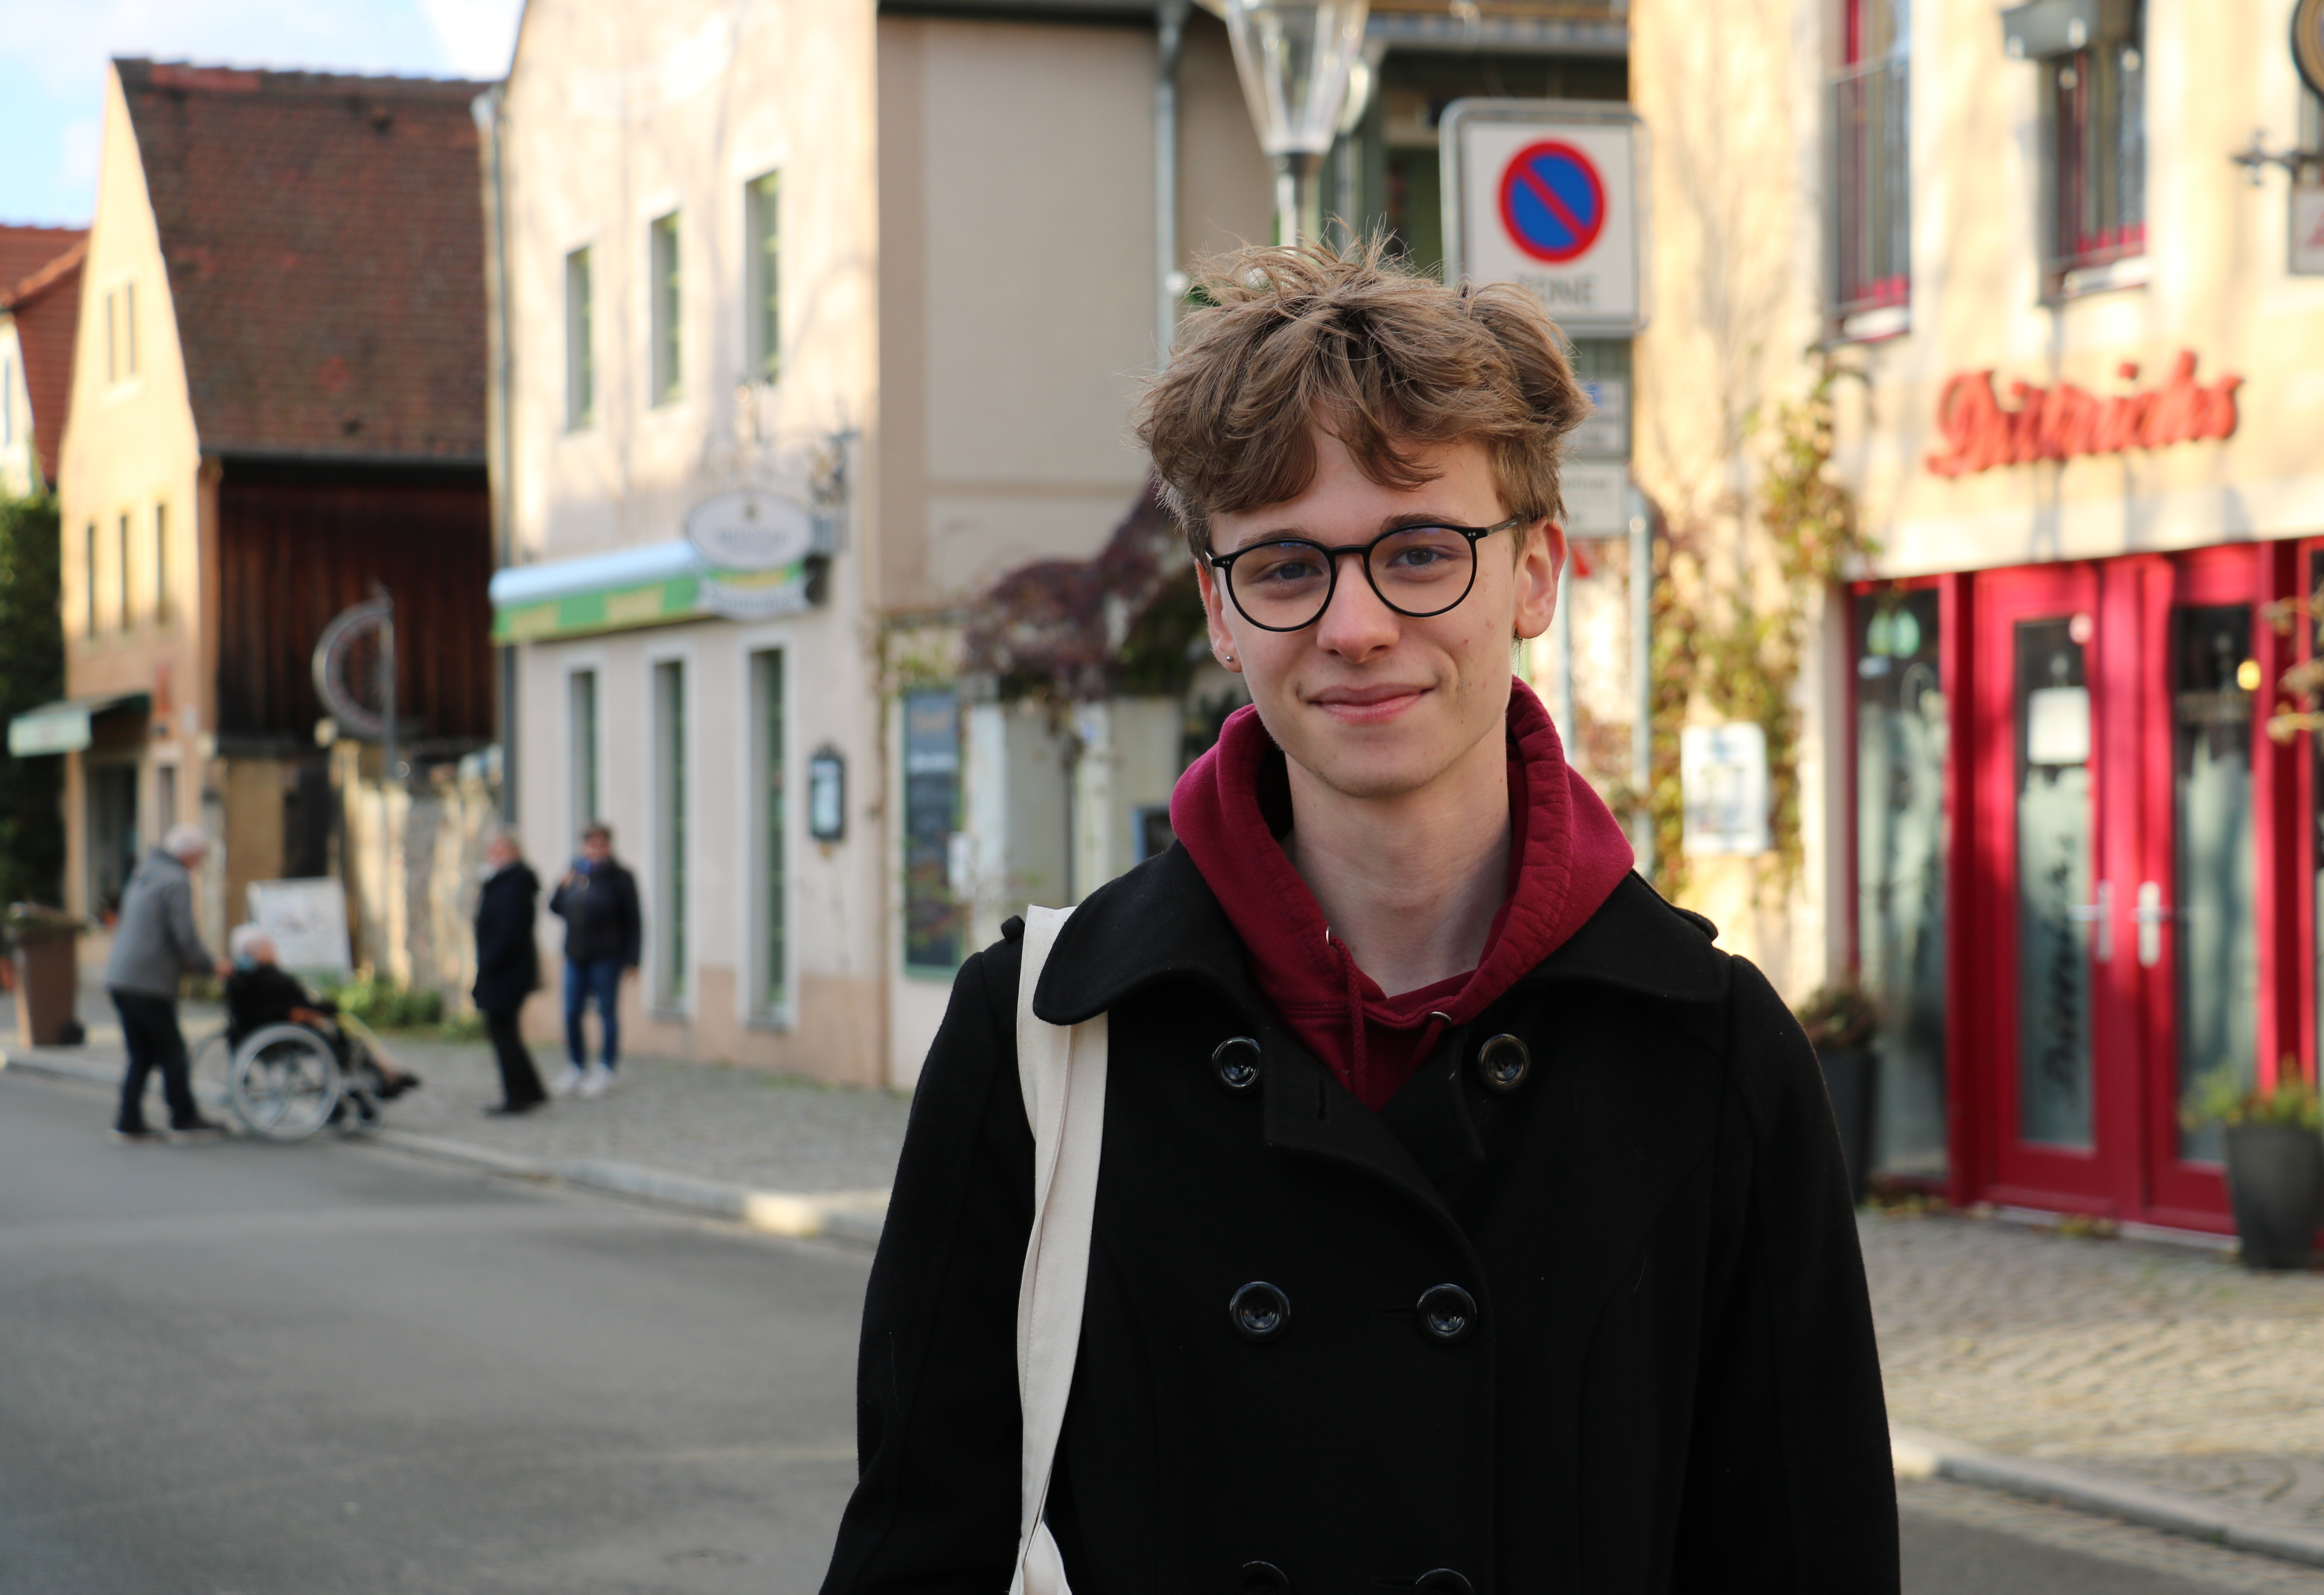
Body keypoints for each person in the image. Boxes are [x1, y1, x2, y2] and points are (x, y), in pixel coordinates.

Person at [819, 242, 1897, 1592]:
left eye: (1420, 552)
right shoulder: (1048, 1037)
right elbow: (921, 1552)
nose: (1357, 625)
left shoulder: (1716, 1057)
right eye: (1284, 568)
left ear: (1538, 573)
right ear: (1218, 606)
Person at [104, 822, 231, 1142]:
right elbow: (184, 933)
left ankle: (128, 1121)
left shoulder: (145, 873)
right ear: (188, 855)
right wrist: (209, 965)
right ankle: (183, 1117)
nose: (199, 866)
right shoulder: (176, 880)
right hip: (148, 982)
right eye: (200, 859)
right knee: (173, 1051)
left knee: (142, 1054)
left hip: (121, 977)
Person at [223, 924, 419, 1106]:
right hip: (286, 1033)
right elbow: (294, 1009)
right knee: (347, 1031)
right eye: (270, 946)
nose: (274, 950)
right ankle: (387, 1073)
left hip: (257, 1033)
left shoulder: (243, 979)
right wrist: (328, 1008)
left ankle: (389, 1070)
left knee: (349, 1026)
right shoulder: (270, 978)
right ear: (259, 950)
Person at [547, 821, 640, 1097]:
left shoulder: (620, 877)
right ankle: (576, 1066)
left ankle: (606, 1068)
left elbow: (634, 920)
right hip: (576, 955)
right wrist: (561, 887)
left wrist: (633, 959)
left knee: (606, 1012)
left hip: (607, 956)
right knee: (572, 1012)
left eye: (601, 843)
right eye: (591, 843)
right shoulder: (576, 874)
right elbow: (555, 908)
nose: (595, 849)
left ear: (609, 846)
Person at [472, 830, 546, 1115]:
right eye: (494, 850)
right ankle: (531, 1089)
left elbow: (509, 932)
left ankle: (517, 1094)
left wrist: (489, 965)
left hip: (507, 970)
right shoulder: (503, 882)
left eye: (502, 850)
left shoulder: (514, 884)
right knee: (507, 1032)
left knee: (503, 1032)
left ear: (515, 852)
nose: (496, 855)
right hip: (504, 968)